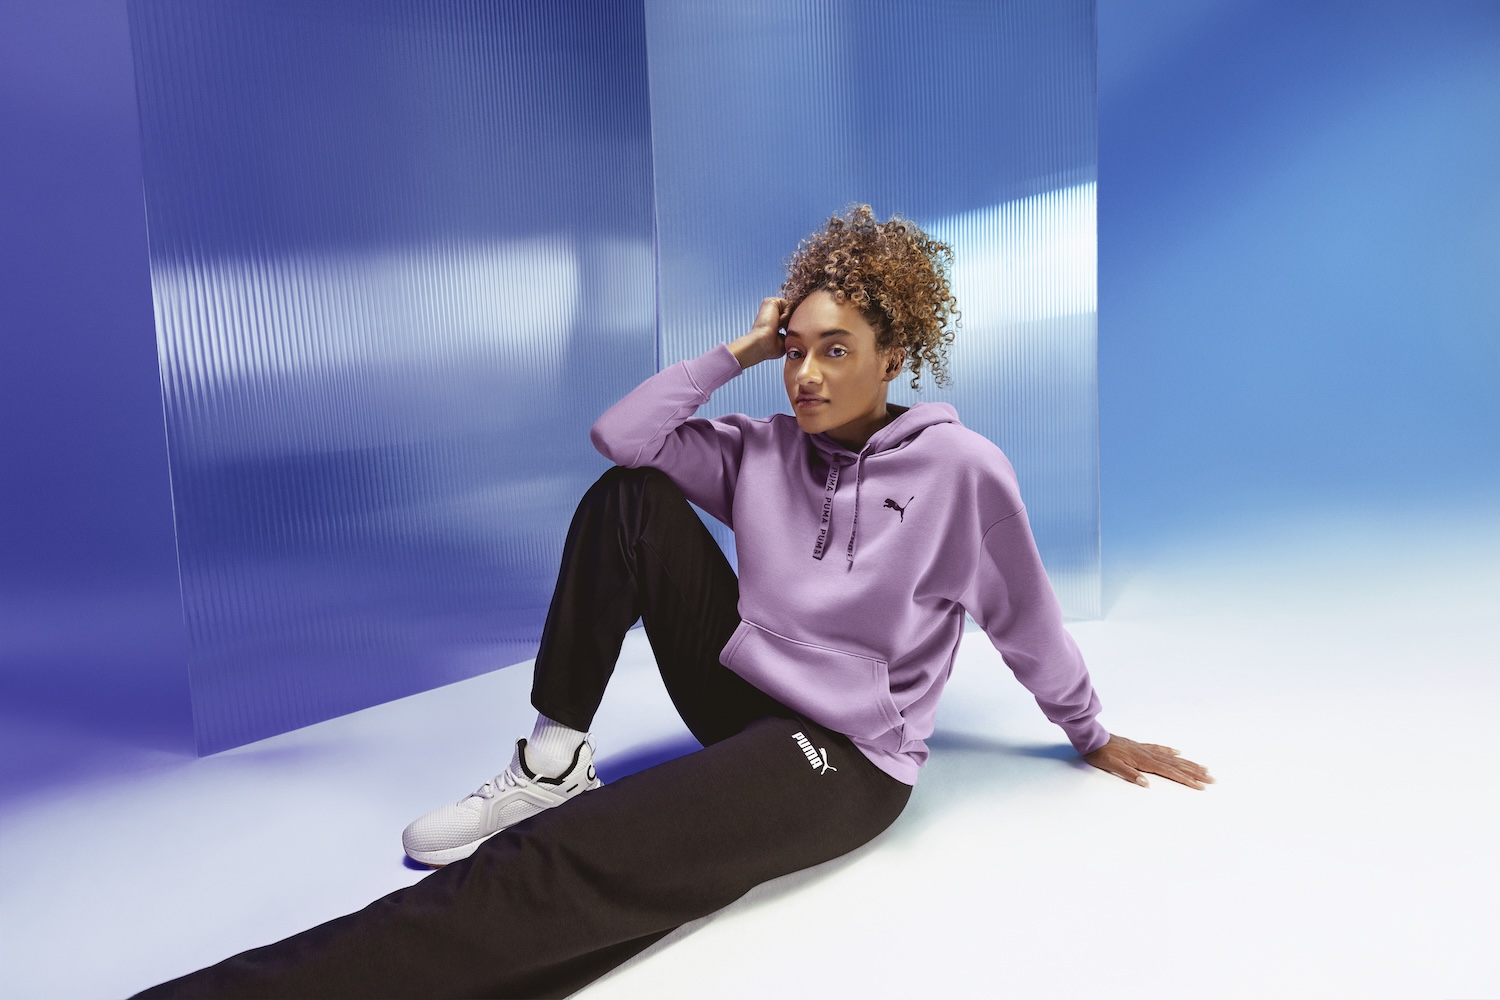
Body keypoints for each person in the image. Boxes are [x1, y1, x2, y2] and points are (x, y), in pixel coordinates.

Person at [136, 204, 1211, 1000]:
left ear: (897, 352)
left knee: (573, 864)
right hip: (743, 693)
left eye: (837, 351)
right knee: (636, 496)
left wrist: (1092, 730)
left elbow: (1025, 615)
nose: (807, 375)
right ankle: (551, 762)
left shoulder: (962, 470)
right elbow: (623, 440)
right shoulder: (763, 447)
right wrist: (734, 351)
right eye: (795, 350)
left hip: (845, 754)